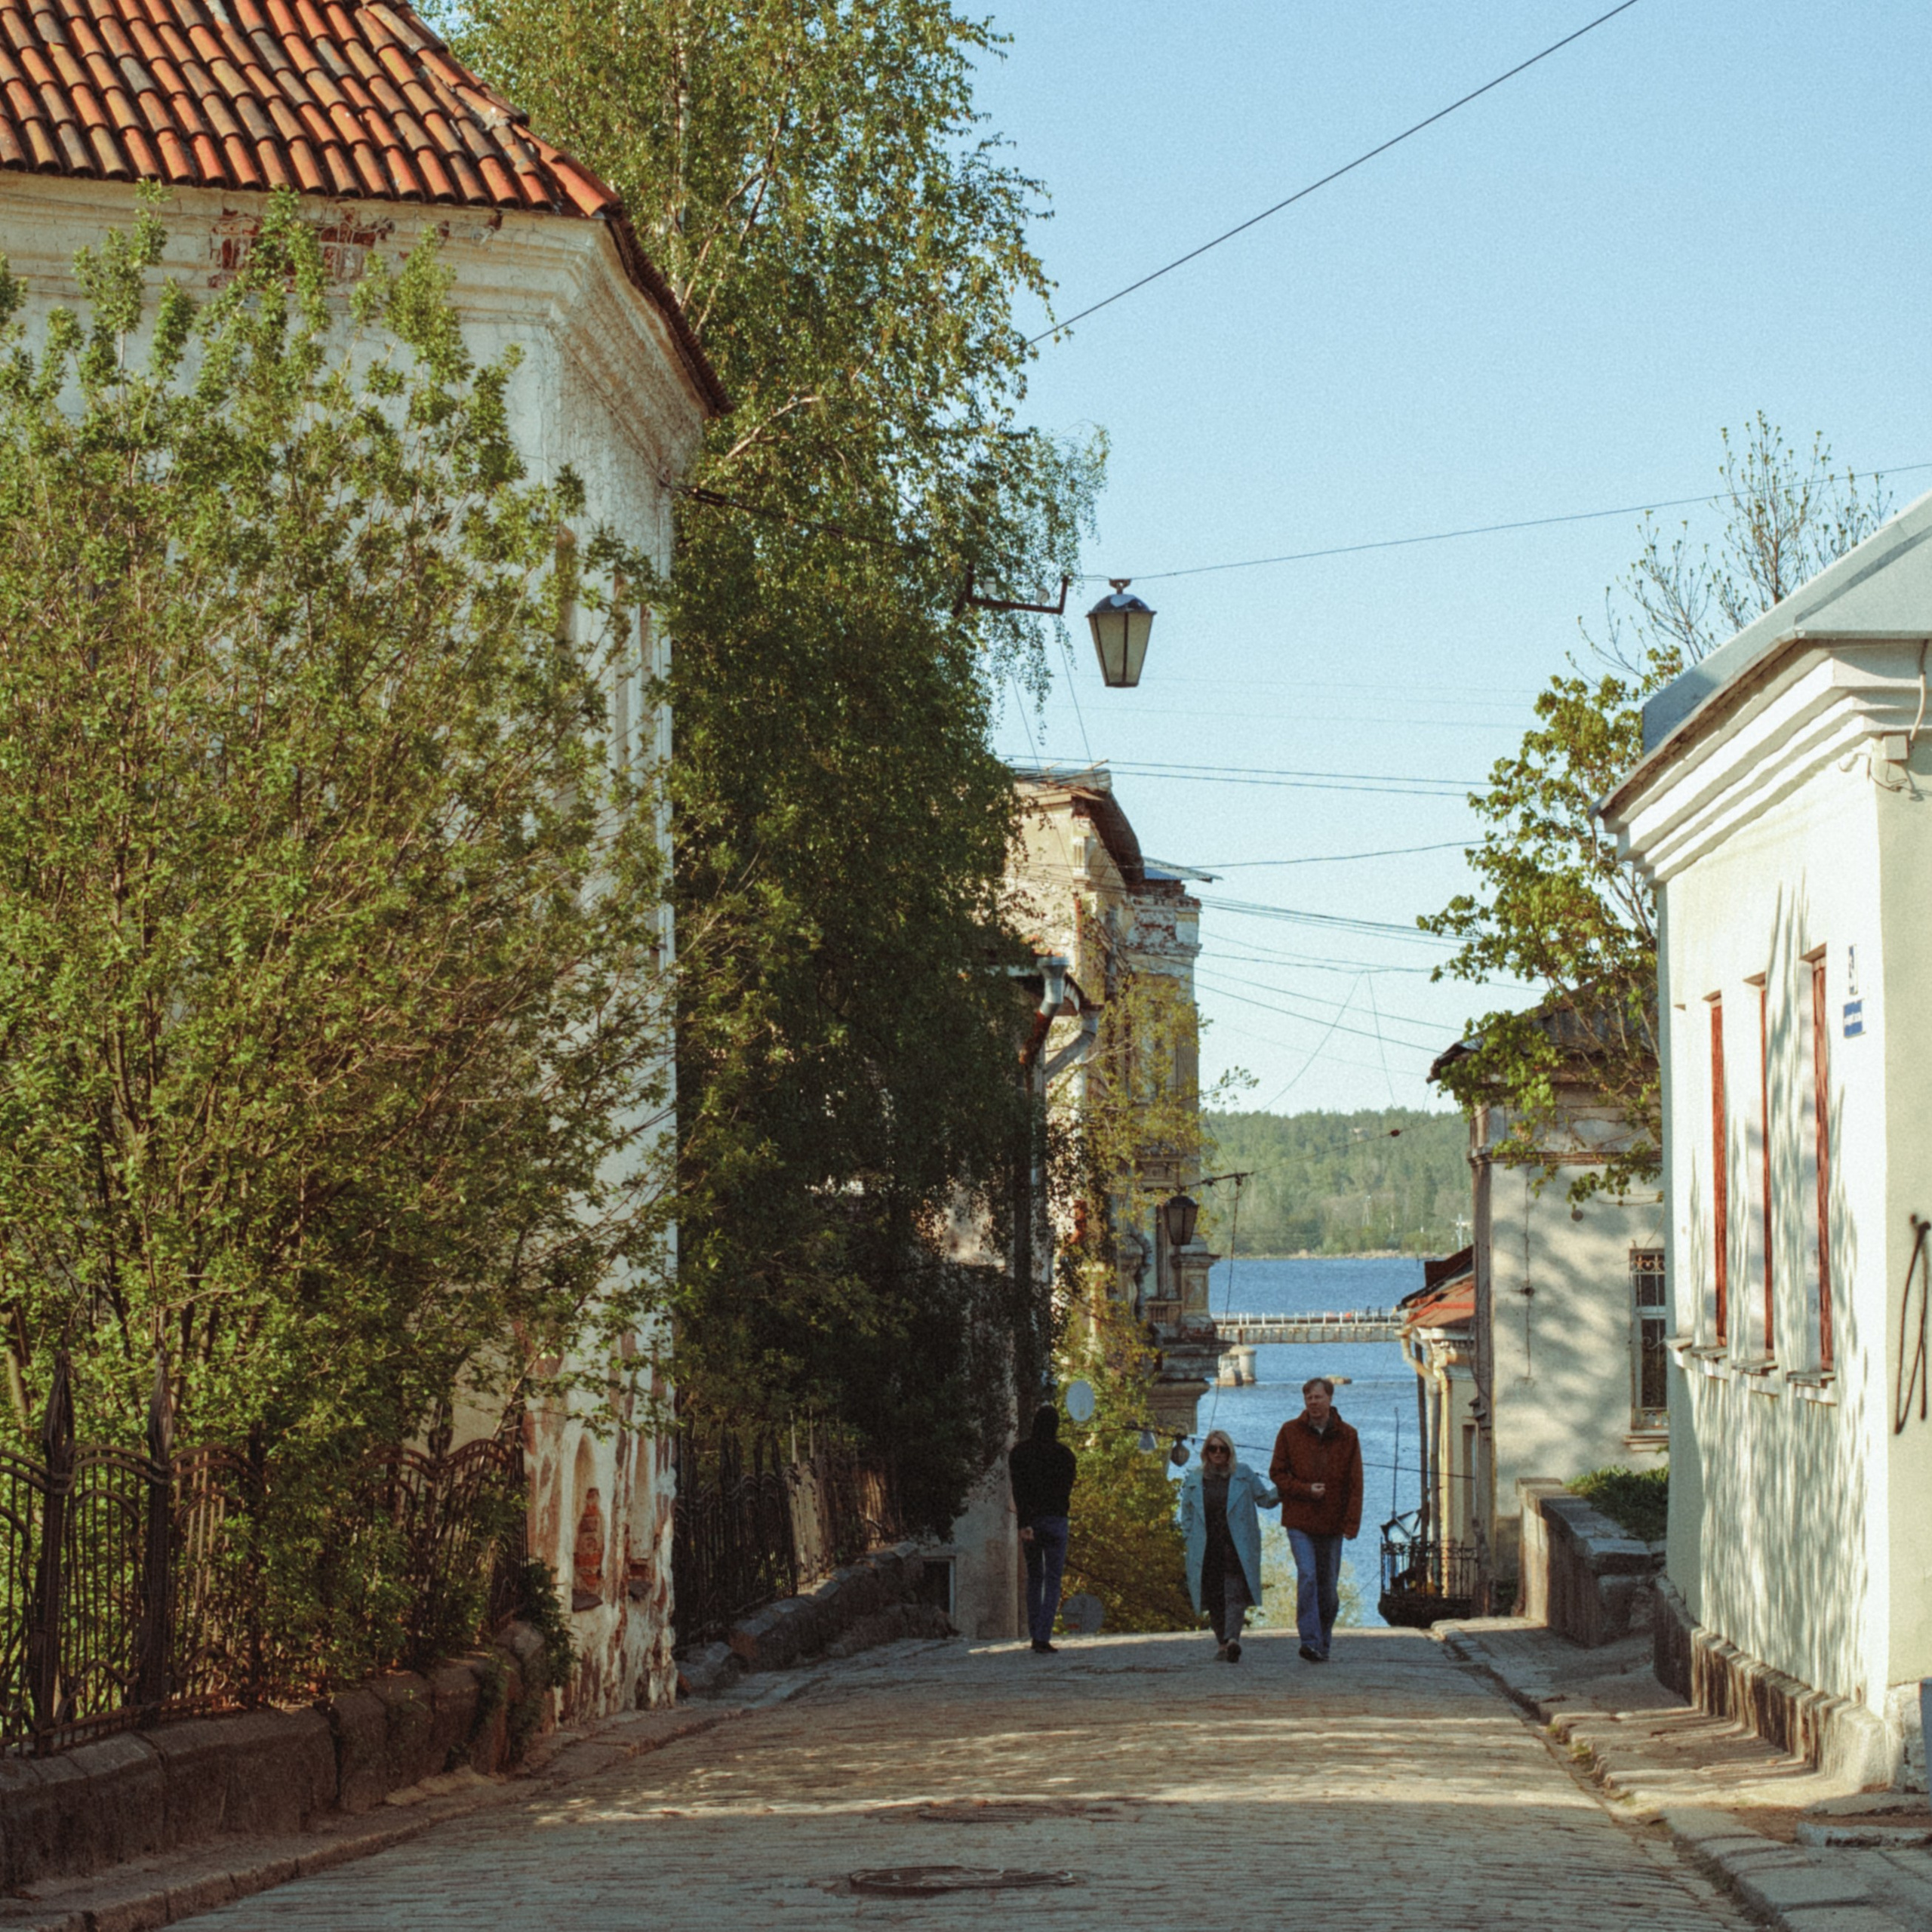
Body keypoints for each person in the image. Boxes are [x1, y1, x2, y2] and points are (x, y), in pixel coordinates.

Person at [1269, 1376, 1363, 1664]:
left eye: (1318, 1397)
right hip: (1299, 1520)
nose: (1313, 1402)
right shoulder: (1289, 1432)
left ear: (1330, 1399)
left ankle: (1323, 1642)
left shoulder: (1348, 1435)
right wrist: (1305, 1490)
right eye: (1309, 1398)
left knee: (1328, 1590)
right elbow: (1277, 1474)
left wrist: (1352, 1523)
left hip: (1332, 1523)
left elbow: (1355, 1483)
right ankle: (1309, 1640)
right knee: (1308, 1575)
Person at [1178, 1428, 1277, 1662]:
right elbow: (1187, 1515)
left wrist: (1288, 1487)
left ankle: (1233, 1639)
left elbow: (1264, 1499)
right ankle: (1222, 1643)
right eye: (1213, 1448)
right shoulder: (1195, 1479)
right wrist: (1188, 1538)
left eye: (1223, 1449)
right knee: (1214, 1597)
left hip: (1236, 1546)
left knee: (1234, 1594)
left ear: (1230, 1452)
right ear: (1206, 1452)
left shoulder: (1243, 1475)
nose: (1218, 1453)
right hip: (1206, 1547)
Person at [1008, 1404, 1078, 1654]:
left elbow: (1019, 1490)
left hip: (1032, 1523)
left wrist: (1024, 1523)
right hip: (1057, 1521)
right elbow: (1067, 1490)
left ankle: (1034, 1630)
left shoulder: (1020, 1453)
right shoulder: (1066, 1455)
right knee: (1053, 1580)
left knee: (1034, 1577)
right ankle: (1042, 1635)